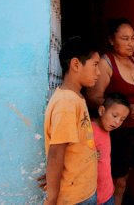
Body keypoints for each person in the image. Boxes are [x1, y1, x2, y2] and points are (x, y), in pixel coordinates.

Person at [85, 18, 134, 204]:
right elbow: (93, 97)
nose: (130, 43)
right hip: (118, 132)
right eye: (124, 38)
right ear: (112, 40)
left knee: (126, 177)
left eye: (133, 38)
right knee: (117, 181)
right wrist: (126, 110)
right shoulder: (106, 63)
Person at [43, 36, 100, 204]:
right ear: (76, 64)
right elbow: (56, 154)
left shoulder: (75, 97)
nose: (98, 72)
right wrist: (52, 198)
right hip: (75, 198)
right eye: (95, 65)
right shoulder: (66, 103)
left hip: (84, 190)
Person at [92, 93, 130, 205]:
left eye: (122, 119)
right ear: (102, 111)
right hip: (93, 197)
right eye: (114, 116)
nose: (117, 122)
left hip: (107, 193)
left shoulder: (107, 130)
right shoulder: (89, 130)